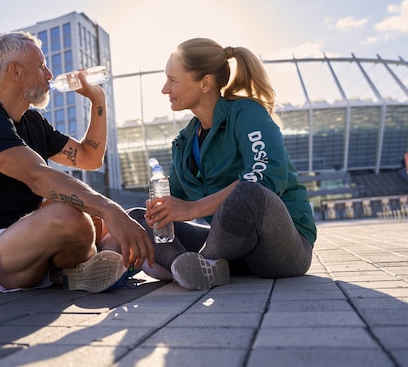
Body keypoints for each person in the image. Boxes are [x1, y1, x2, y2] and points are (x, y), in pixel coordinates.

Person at [0, 31, 154, 293]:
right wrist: (110, 208)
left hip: (31, 241)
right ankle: (86, 266)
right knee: (71, 216)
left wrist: (97, 100)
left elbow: (89, 158)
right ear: (15, 72)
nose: (49, 75)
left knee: (97, 222)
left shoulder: (34, 122)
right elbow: (39, 178)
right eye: (41, 66)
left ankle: (75, 272)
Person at [132, 37, 316, 290]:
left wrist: (192, 209)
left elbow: (267, 176)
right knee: (137, 218)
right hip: (231, 248)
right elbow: (174, 200)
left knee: (248, 193)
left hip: (282, 249)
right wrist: (159, 212)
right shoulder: (184, 142)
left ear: (205, 82)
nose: (165, 89)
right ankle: (183, 267)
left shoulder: (246, 113)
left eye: (173, 80)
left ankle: (199, 263)